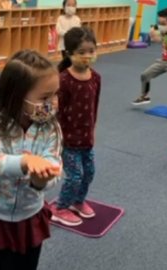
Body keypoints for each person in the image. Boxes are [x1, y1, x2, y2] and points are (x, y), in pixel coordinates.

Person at [0, 50, 62, 270]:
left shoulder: (51, 128)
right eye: (45, 97)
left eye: (55, 94)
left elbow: (53, 162)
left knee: (27, 265)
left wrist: (40, 180)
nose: (52, 103)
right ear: (17, 95)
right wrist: (23, 162)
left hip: (30, 213)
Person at [52, 27, 101, 226]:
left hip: (86, 137)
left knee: (89, 172)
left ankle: (77, 202)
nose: (87, 56)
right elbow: (56, 111)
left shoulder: (96, 78)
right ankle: (60, 207)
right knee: (74, 176)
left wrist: (93, 130)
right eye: (81, 52)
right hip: (68, 138)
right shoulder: (63, 80)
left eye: (91, 51)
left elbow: (94, 107)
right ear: (69, 53)